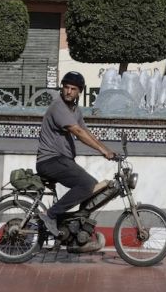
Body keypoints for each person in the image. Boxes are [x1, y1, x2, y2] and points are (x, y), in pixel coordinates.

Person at [35, 71, 116, 237]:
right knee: (86, 185)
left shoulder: (75, 110)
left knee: (92, 185)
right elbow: (77, 131)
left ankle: (76, 224)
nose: (69, 91)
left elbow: (85, 131)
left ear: (79, 91)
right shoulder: (58, 107)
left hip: (61, 161)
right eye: (66, 87)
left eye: (73, 89)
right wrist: (103, 151)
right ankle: (51, 215)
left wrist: (107, 150)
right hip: (50, 160)